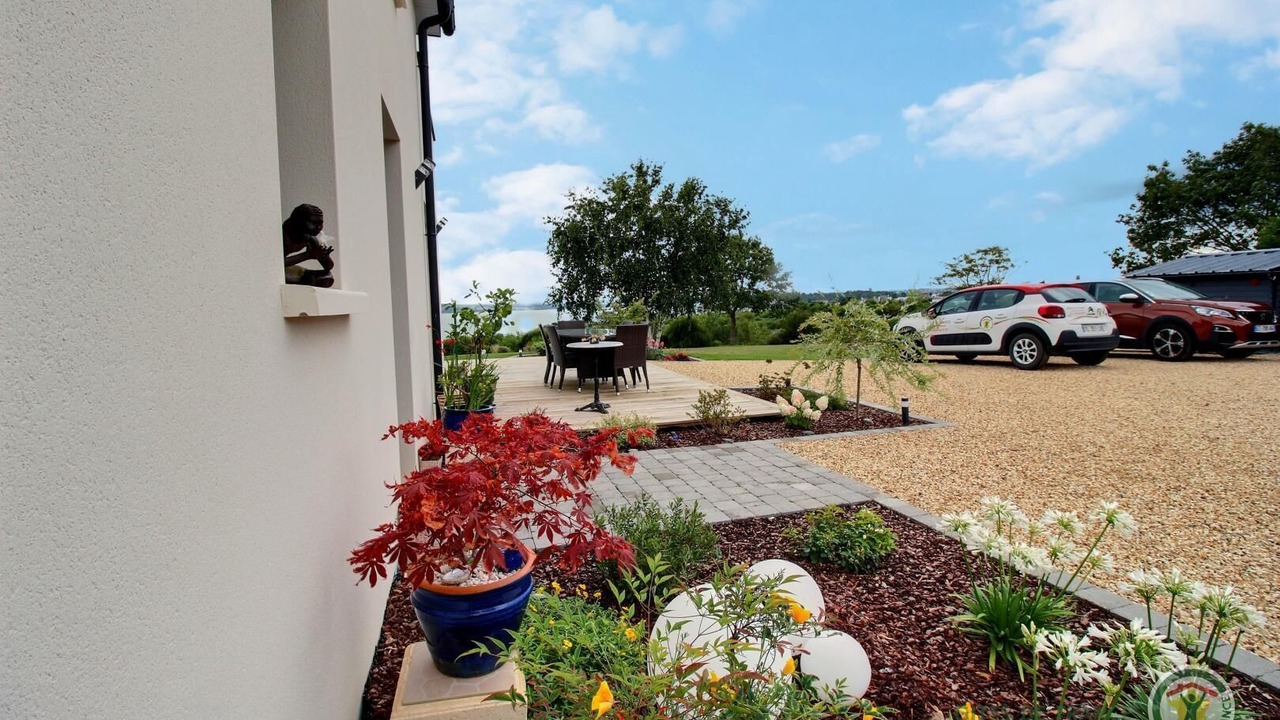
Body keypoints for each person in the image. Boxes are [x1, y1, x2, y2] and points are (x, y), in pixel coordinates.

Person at [282, 204, 335, 287]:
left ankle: (308, 277)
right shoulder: (283, 235)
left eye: (320, 223)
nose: (318, 227)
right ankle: (307, 278)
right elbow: (276, 263)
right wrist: (307, 255)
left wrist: (324, 256)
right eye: (313, 223)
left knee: (327, 275)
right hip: (276, 268)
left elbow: (329, 266)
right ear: (298, 221)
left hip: (287, 267)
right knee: (283, 273)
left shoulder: (309, 237)